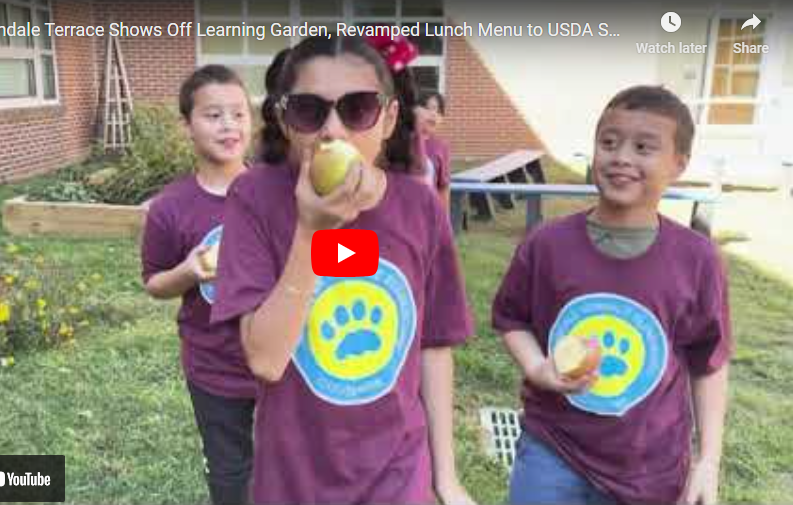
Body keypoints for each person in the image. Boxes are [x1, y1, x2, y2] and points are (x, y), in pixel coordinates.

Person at [211, 36, 476, 505]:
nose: (332, 130)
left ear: (390, 118)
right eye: (310, 111)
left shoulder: (419, 207)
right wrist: (312, 231)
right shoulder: (254, 199)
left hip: (398, 470)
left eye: (358, 109)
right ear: (283, 119)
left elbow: (434, 346)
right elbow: (267, 360)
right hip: (295, 477)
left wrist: (446, 477)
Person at [492, 85, 732, 505]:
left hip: (649, 465)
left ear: (679, 164)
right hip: (552, 448)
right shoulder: (547, 244)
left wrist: (707, 460)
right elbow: (512, 318)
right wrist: (536, 368)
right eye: (609, 142)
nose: (621, 156)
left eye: (643, 147)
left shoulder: (697, 259)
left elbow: (708, 362)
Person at [140, 64, 255, 505]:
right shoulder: (170, 209)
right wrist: (188, 271)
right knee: (230, 474)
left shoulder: (280, 192)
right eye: (213, 115)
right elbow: (154, 283)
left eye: (239, 113)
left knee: (290, 463)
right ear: (187, 125)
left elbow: (328, 253)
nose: (229, 125)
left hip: (286, 362)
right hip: (215, 368)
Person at [414, 90, 451, 209]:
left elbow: (443, 187)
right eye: (429, 108)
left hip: (428, 213)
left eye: (439, 111)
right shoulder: (397, 141)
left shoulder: (441, 146)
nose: (434, 114)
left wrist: (444, 222)